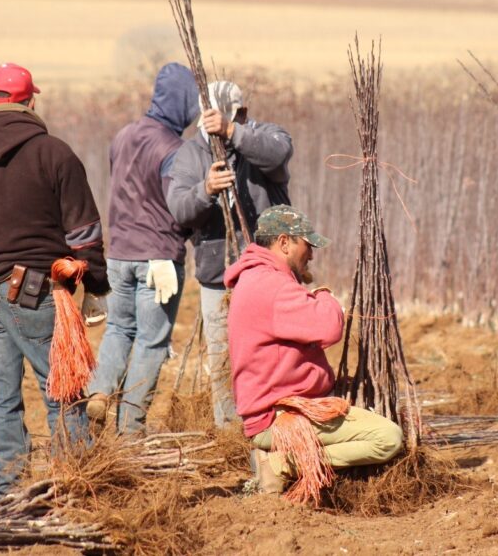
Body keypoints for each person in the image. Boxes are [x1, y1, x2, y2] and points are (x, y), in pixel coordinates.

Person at [0, 63, 110, 498]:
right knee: (63, 392)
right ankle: (77, 488)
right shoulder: (55, 154)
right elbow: (84, 233)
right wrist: (97, 287)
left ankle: (8, 494)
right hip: (38, 293)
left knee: (2, 399)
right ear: (31, 101)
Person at [224, 205, 403, 493]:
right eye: (306, 245)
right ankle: (283, 463)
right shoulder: (272, 285)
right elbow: (329, 328)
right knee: (388, 438)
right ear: (284, 242)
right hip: (280, 418)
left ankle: (284, 459)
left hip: (274, 409)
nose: (311, 254)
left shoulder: (256, 278)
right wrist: (324, 295)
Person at [167, 81, 293, 428]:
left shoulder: (266, 137)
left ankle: (276, 427)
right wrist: (205, 190)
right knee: (224, 358)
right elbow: (179, 208)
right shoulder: (191, 155)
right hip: (217, 277)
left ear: (242, 114)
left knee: (273, 355)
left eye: (228, 119)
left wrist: (232, 131)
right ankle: (231, 433)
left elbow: (278, 155)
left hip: (268, 275)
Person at [86, 63, 200, 434]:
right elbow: (178, 204)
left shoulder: (122, 136)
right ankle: (131, 427)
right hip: (159, 259)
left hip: (118, 253)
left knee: (119, 329)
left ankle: (100, 392)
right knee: (151, 343)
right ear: (183, 103)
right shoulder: (173, 148)